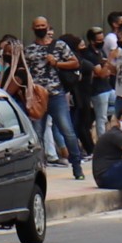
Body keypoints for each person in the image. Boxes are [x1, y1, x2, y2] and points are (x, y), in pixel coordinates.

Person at [18, 18, 83, 177]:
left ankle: (77, 165)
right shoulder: (29, 49)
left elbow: (75, 63)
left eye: (43, 26)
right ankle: (38, 168)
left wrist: (57, 63)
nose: (40, 28)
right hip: (37, 97)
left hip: (56, 94)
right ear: (33, 29)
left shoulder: (59, 46)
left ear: (48, 27)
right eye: (37, 26)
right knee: (37, 133)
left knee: (67, 130)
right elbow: (23, 72)